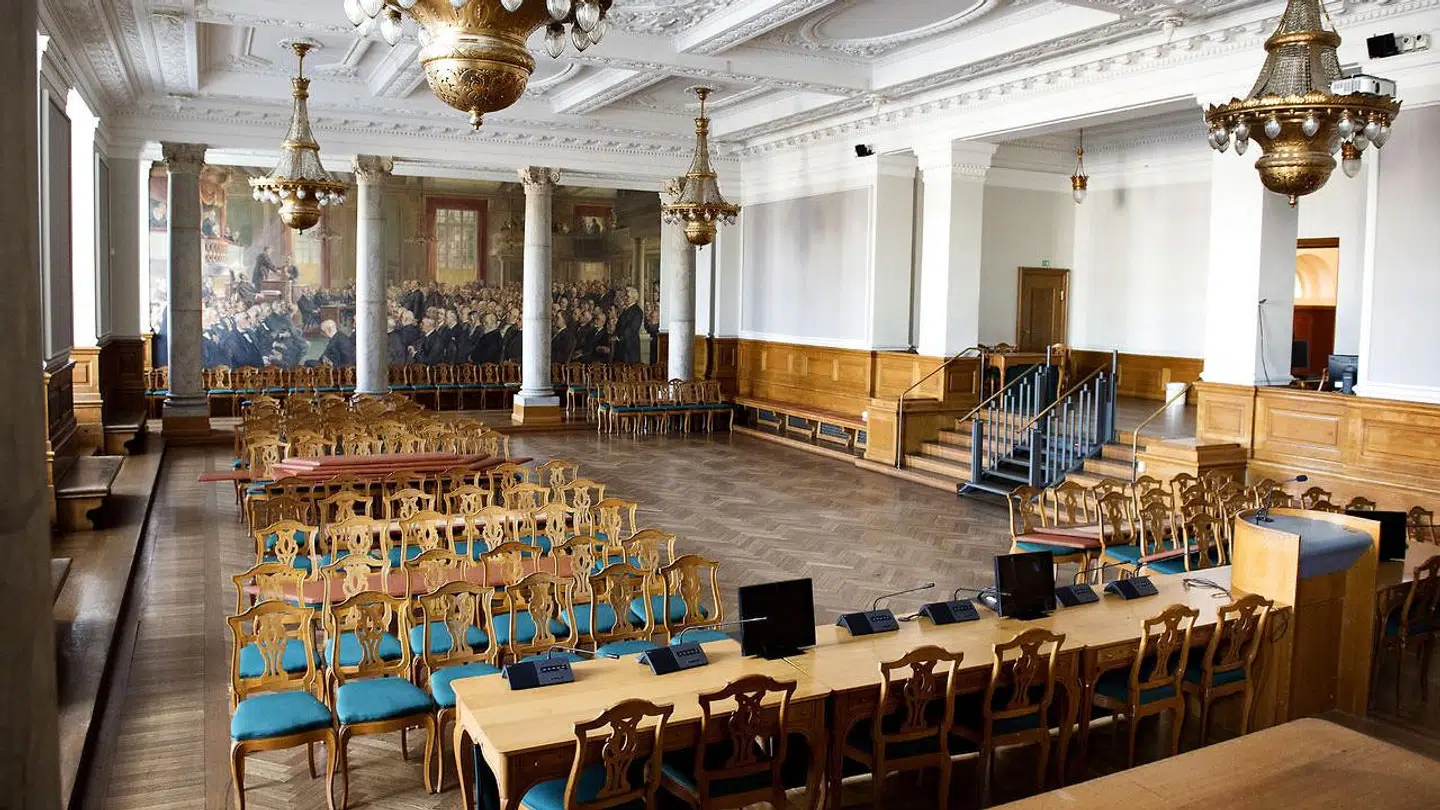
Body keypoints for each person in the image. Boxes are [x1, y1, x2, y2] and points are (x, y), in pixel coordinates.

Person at [614, 286, 643, 364]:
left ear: (634, 298)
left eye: (628, 296)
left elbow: (632, 329)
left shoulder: (637, 311)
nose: (626, 298)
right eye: (625, 296)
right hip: (622, 345)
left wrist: (619, 337)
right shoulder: (625, 309)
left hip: (630, 346)